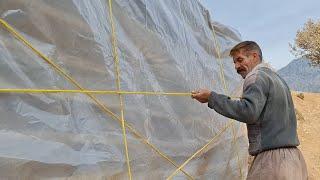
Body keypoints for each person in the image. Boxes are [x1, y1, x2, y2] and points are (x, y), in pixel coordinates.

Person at [191, 41, 308, 180]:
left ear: (254, 56)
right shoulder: (278, 79)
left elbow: (249, 112)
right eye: (234, 62)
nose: (236, 66)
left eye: (240, 60)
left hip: (272, 161)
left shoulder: (255, 76)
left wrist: (211, 98)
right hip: (294, 160)